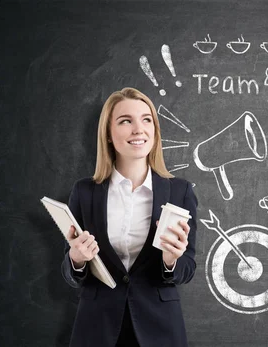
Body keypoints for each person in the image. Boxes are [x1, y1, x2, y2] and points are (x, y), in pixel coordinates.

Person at [61, 87, 198, 347]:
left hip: (160, 330)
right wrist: (76, 259)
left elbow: (187, 269)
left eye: (147, 120)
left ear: (155, 130)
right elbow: (69, 273)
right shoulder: (84, 192)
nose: (139, 129)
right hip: (96, 329)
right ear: (109, 135)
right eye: (126, 121)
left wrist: (171, 262)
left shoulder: (180, 191)